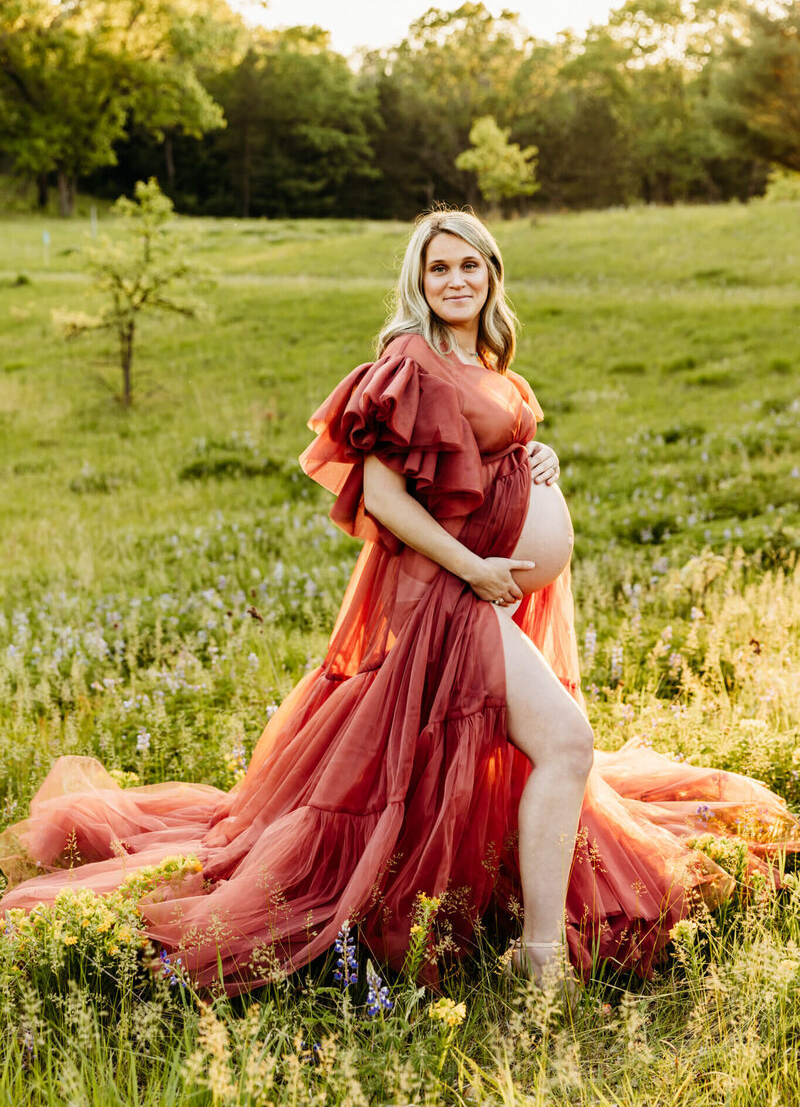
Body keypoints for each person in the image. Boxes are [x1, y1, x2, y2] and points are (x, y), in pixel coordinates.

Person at [1, 209, 799, 1003]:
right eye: (439, 268)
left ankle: (525, 935)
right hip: (449, 595)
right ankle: (542, 958)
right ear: (419, 280)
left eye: (470, 267)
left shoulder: (480, 357)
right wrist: (471, 567)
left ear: (492, 275)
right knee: (567, 743)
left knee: (514, 755)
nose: (456, 280)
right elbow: (382, 495)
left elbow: (485, 452)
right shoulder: (408, 361)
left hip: (483, 594)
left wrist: (536, 456)